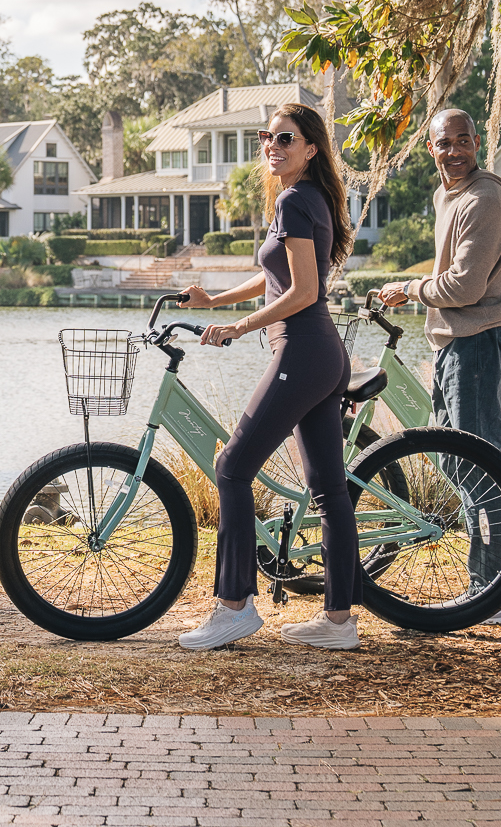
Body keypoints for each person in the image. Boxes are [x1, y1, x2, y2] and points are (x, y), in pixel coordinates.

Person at [175, 103, 359, 651]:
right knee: (329, 489)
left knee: (231, 468)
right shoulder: (309, 197)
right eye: (267, 137)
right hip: (322, 355)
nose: (272, 146)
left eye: (286, 138)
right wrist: (216, 300)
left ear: (311, 149)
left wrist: (237, 327)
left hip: (303, 352)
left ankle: (234, 607)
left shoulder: (294, 199)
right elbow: (274, 275)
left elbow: (304, 292)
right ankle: (339, 621)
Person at [376, 107, 501, 622]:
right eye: (445, 143)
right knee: (458, 461)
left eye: (463, 140)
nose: (455, 151)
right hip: (455, 341)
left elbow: (465, 286)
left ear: (477, 142)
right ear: (431, 149)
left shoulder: (485, 199)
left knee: (478, 467)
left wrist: (410, 288)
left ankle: (494, 588)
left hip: (479, 340)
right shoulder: (447, 195)